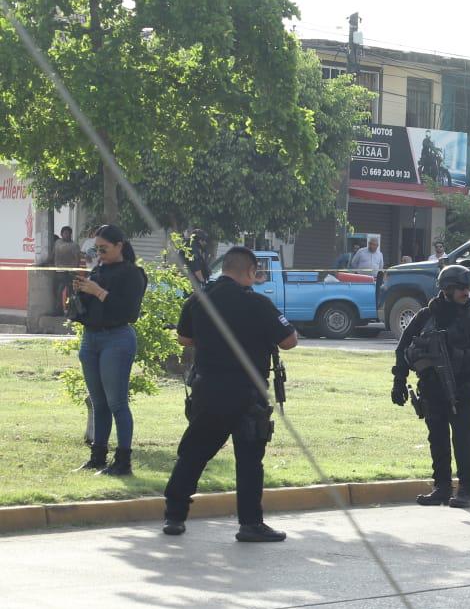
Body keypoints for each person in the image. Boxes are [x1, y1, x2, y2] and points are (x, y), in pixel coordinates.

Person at [161, 246, 299, 542]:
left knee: (194, 453)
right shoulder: (258, 304)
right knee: (249, 460)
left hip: (209, 390)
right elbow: (289, 341)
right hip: (248, 393)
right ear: (249, 272)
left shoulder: (199, 299)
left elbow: (184, 337)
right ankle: (250, 524)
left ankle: (174, 516)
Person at [392, 264, 470, 508]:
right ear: (447, 289)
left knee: (463, 439)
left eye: (469, 288)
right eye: (461, 288)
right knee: (437, 438)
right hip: (431, 388)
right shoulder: (427, 315)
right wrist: (399, 379)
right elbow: (403, 347)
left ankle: (467, 490)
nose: (467, 292)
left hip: (461, 389)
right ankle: (441, 487)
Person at [70, 225, 148, 476]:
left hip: (117, 338)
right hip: (91, 337)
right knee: (99, 402)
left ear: (119, 246)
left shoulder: (133, 273)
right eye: (97, 250)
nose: (100, 254)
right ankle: (97, 457)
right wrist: (81, 291)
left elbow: (128, 312)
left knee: (117, 403)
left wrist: (98, 291)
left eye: (104, 249)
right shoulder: (100, 270)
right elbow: (89, 307)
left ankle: (123, 461)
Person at [51, 226, 82, 314]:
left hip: (69, 273)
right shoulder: (57, 242)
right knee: (57, 292)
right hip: (58, 272)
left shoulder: (74, 245)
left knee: (69, 293)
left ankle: (69, 310)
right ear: (61, 234)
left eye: (68, 234)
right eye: (65, 233)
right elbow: (53, 255)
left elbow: (77, 259)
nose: (67, 235)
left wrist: (74, 271)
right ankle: (59, 310)